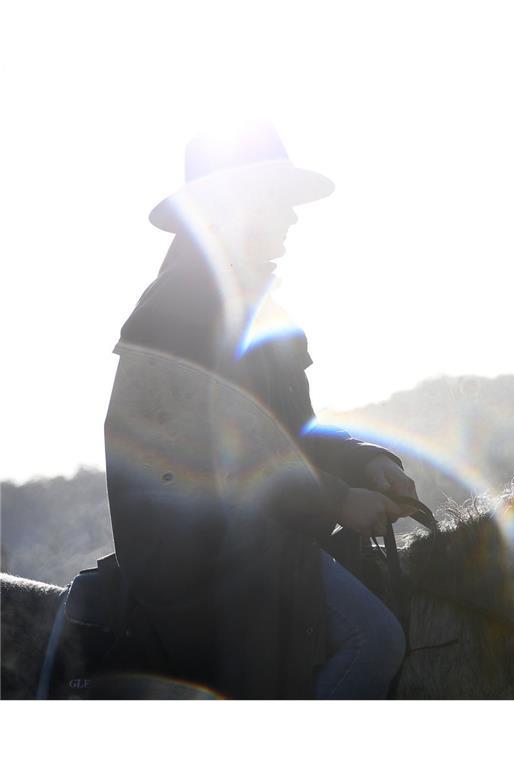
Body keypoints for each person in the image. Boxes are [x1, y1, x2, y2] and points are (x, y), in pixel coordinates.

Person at [104, 121, 417, 698]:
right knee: (375, 641)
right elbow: (229, 452)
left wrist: (365, 463)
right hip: (203, 560)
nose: (292, 218)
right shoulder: (179, 308)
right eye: (278, 201)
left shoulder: (260, 309)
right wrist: (338, 500)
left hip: (261, 536)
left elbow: (292, 432)